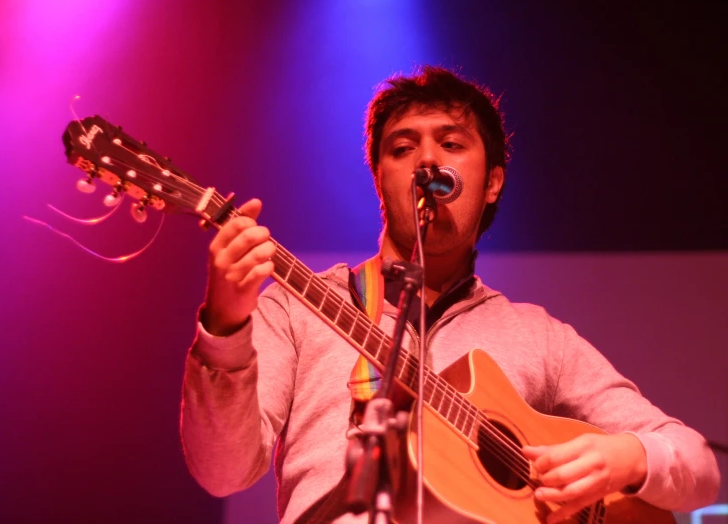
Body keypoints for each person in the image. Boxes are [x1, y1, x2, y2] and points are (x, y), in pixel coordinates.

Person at [179, 66, 720, 523]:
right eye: (402, 147)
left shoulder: (539, 337)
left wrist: (625, 457)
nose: (427, 162)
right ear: (379, 178)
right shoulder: (296, 307)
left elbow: (698, 468)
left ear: (491, 183)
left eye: (452, 144)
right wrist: (225, 326)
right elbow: (222, 471)